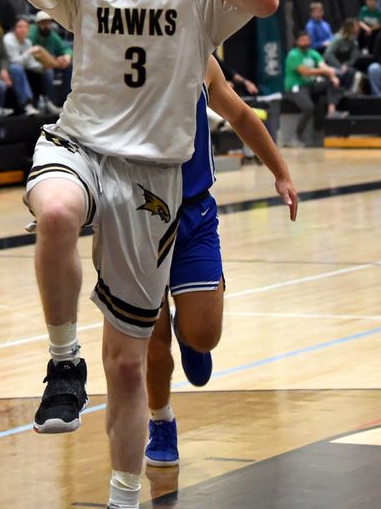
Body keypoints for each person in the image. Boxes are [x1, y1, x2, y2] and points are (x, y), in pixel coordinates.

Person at [0, 0, 277, 509]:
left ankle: (122, 495)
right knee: (55, 210)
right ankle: (60, 360)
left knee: (126, 365)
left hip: (153, 178)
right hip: (80, 146)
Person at [145, 56, 298, 467]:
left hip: (193, 211)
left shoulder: (198, 56)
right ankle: (160, 420)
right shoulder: (116, 48)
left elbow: (242, 114)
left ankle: (191, 329)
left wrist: (280, 171)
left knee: (205, 336)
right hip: (135, 213)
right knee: (151, 342)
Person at [284, 29, 342, 144]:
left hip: (310, 85)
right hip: (296, 87)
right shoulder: (293, 55)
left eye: (307, 39)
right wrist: (326, 71)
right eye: (302, 40)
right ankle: (297, 135)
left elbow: (323, 66)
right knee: (308, 107)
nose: (305, 42)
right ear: (297, 42)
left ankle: (332, 110)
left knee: (332, 82)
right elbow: (305, 72)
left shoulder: (313, 53)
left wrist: (331, 75)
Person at [3, 16, 60, 113]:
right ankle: (27, 104)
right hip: (7, 70)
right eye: (20, 27)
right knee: (17, 68)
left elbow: (30, 63)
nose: (23, 29)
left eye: (25, 27)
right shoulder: (8, 39)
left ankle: (48, 102)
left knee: (46, 71)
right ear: (14, 29)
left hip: (23, 69)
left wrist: (44, 67)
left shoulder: (27, 42)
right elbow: (15, 61)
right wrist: (29, 52)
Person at [30, 10, 73, 103]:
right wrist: (53, 59)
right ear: (37, 24)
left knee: (69, 66)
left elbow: (65, 48)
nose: (46, 25)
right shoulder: (32, 34)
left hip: (52, 63)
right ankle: (51, 101)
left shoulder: (52, 35)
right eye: (43, 23)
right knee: (48, 72)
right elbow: (33, 53)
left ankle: (66, 99)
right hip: (36, 64)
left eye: (48, 22)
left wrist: (66, 56)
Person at [324, 18, 361, 90]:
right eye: (356, 26)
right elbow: (328, 55)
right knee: (345, 73)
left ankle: (348, 92)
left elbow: (354, 57)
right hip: (333, 65)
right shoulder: (338, 39)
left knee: (354, 73)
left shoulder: (354, 42)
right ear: (350, 28)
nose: (358, 28)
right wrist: (339, 66)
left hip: (345, 66)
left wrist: (346, 65)